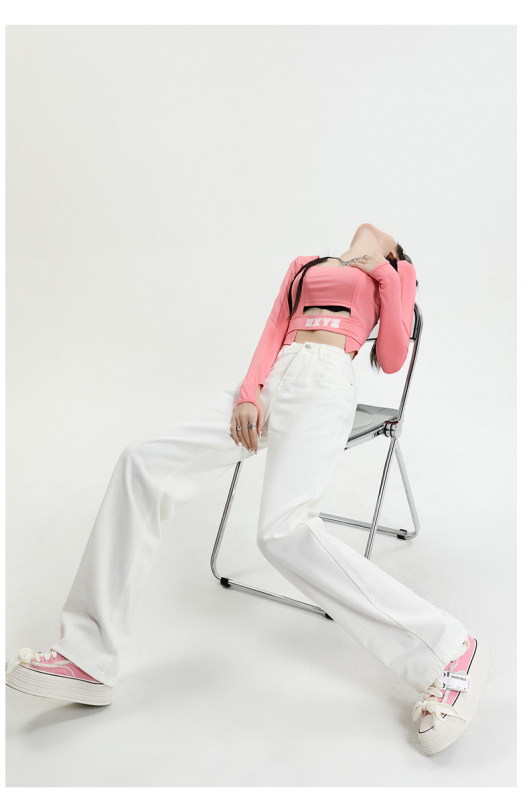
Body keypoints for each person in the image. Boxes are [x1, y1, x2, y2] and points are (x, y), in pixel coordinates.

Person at [5, 223, 490, 756]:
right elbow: (275, 327)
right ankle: (87, 657)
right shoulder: (305, 264)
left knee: (282, 532)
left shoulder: (397, 271)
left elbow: (393, 357)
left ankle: (448, 649)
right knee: (141, 462)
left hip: (326, 384)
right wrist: (249, 394)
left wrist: (388, 275)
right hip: (272, 378)